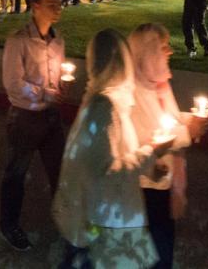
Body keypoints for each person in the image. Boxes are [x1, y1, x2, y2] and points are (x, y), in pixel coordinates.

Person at [52, 29, 176, 268]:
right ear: (122, 61)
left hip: (109, 216)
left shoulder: (107, 100)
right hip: (107, 224)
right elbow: (106, 174)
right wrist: (152, 151)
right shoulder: (104, 107)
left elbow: (117, 155)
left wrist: (150, 169)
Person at [129, 23, 208, 268]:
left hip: (165, 180)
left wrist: (191, 120)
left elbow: (166, 119)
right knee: (154, 248)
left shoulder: (159, 85)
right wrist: (188, 132)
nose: (170, 52)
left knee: (163, 244)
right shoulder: (132, 92)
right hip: (147, 186)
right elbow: (145, 139)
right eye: (163, 47)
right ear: (148, 52)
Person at [0, 0, 70, 251]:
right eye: (52, 5)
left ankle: (66, 220)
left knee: (60, 172)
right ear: (35, 6)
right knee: (16, 174)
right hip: (25, 118)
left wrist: (62, 86)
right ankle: (9, 225)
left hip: (51, 117)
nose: (58, 9)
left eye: (59, 4)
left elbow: (58, 76)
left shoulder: (58, 40)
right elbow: (13, 84)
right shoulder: (18, 40)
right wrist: (45, 94)